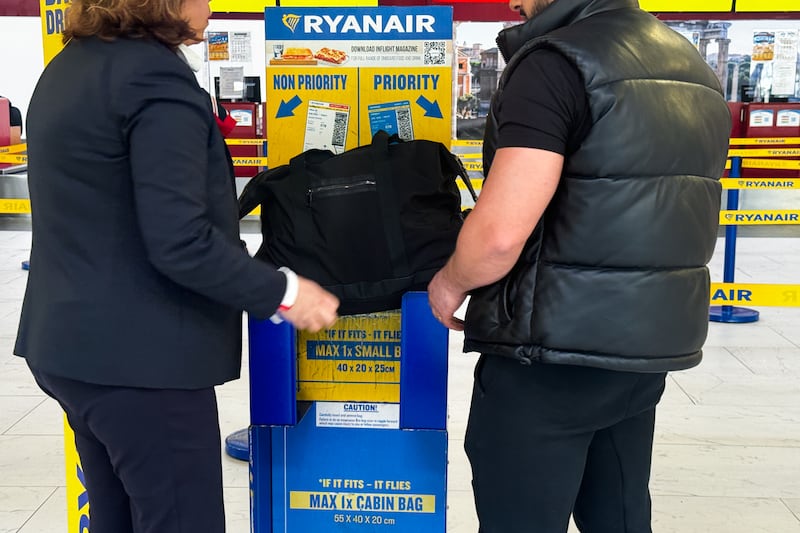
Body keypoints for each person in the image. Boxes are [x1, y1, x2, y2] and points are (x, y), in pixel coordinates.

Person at [13, 0, 339, 530]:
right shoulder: (154, 79)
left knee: (117, 515)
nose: (210, 7)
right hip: (142, 360)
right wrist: (284, 292)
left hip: (70, 347)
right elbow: (180, 240)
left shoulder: (72, 66)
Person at [428, 0, 730, 531]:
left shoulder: (556, 63)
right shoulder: (690, 65)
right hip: (648, 348)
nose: (512, 3)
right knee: (619, 511)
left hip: (550, 353)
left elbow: (499, 234)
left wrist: (450, 281)